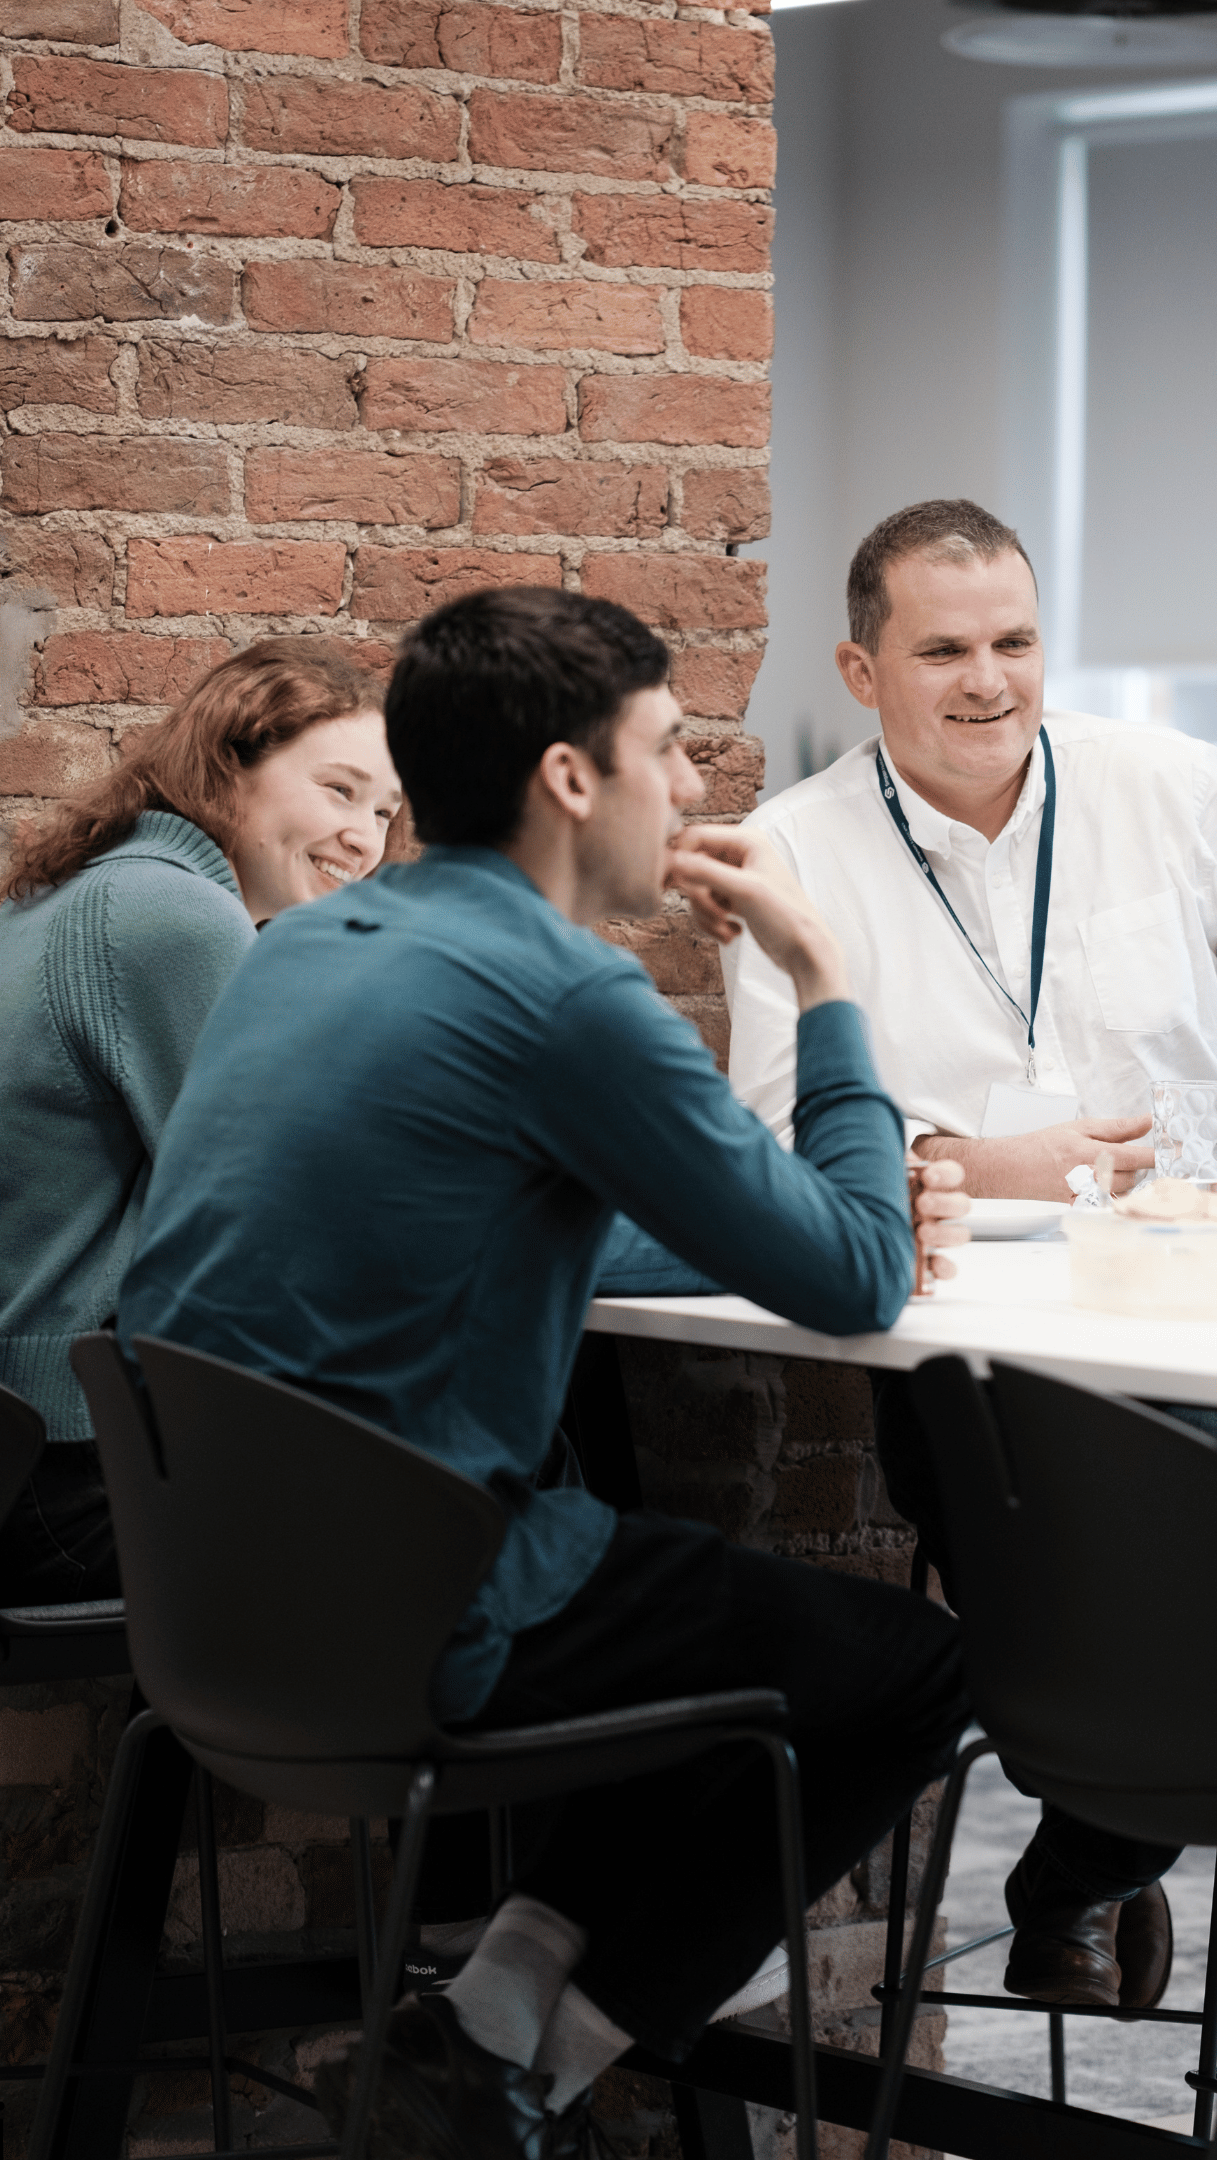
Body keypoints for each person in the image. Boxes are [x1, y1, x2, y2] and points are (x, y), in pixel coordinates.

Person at [118, 587, 971, 2160]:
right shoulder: (571, 1000)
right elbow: (858, 1279)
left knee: (687, 1609)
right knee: (904, 1669)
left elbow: (525, 1235)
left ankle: (484, 2032)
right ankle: (518, 2073)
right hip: (421, 1617)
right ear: (574, 779)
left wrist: (754, 1209)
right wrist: (827, 979)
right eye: (666, 746)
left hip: (214, 1613)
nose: (700, 786)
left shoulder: (301, 954)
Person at [723, 499, 1217, 2012]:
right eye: (947, 649)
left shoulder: (1171, 789)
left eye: (1018, 642)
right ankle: (1104, 1854)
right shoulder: (793, 850)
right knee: (1098, 1610)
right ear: (862, 669)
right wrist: (991, 1163)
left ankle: (1076, 1874)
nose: (991, 680)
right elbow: (780, 1141)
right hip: (975, 1339)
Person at [0, 638, 400, 1600]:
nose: (368, 838)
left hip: (33, 1454)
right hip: (55, 1480)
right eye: (339, 792)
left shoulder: (81, 894)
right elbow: (287, 1221)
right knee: (489, 1487)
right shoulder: (169, 918)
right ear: (230, 770)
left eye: (387, 809)